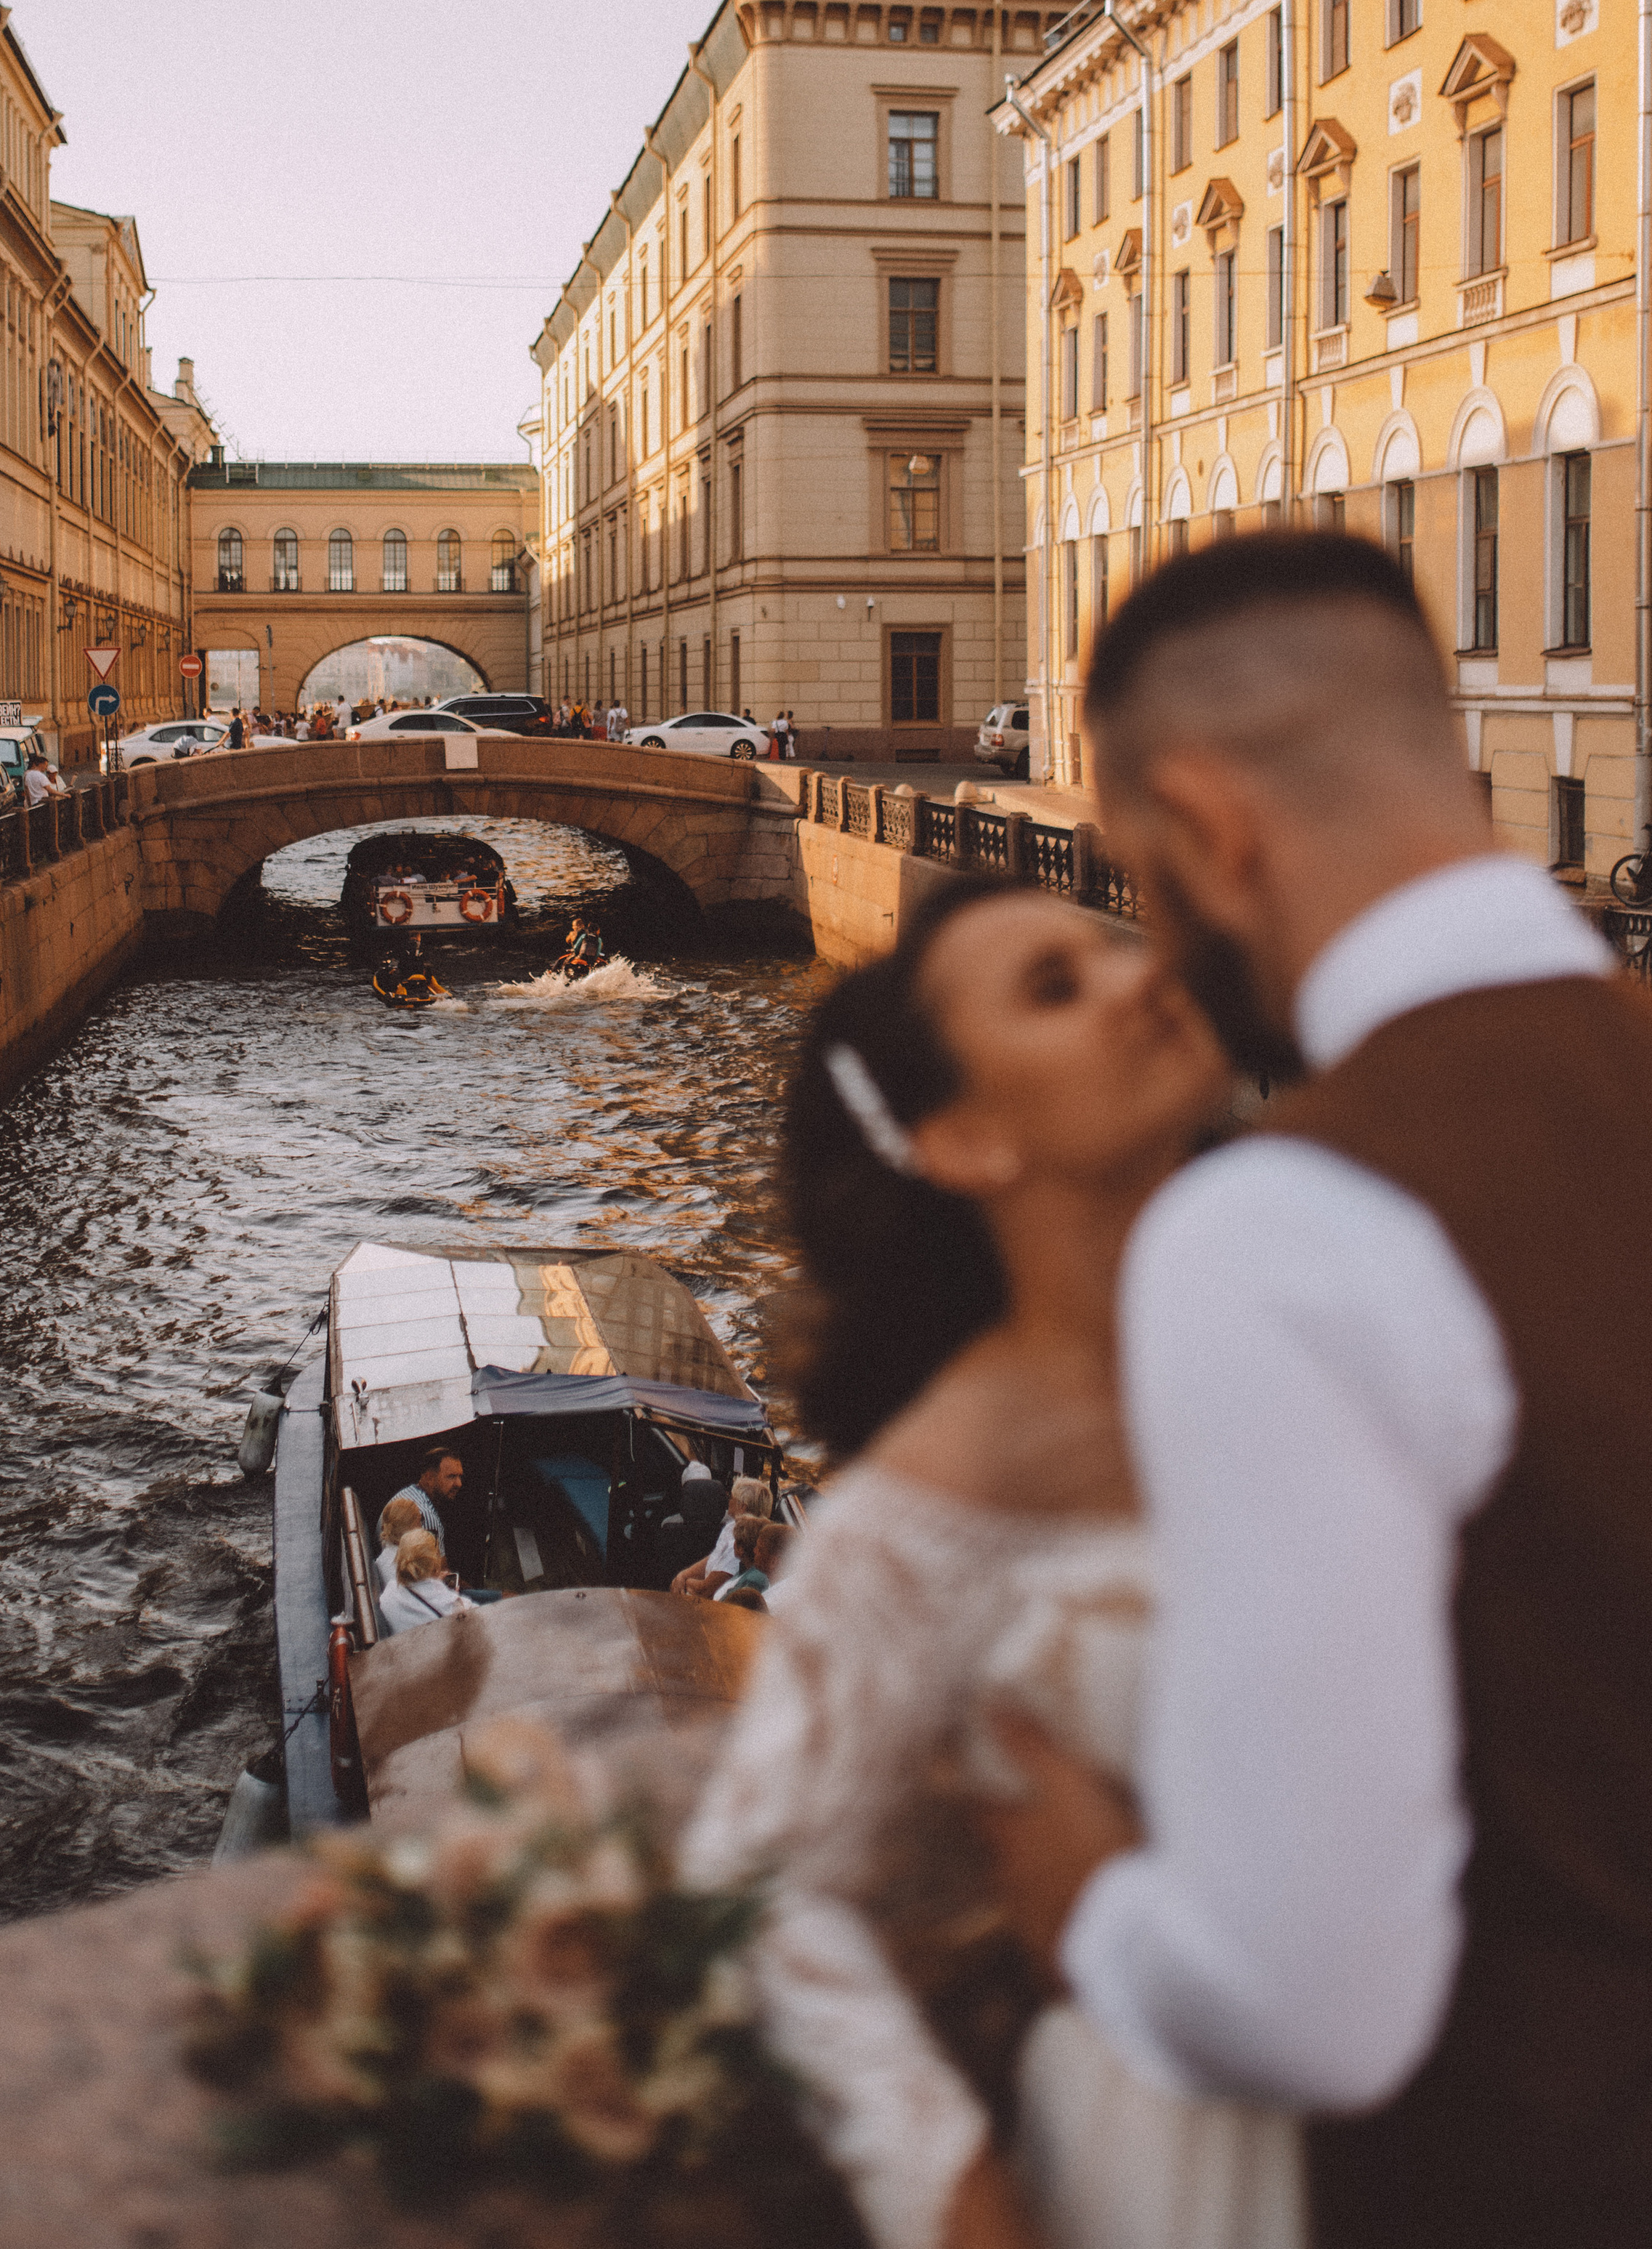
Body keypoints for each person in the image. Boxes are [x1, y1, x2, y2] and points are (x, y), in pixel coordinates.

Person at [944, 530, 1651, 2249]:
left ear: (1205, 827)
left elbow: (1301, 1996)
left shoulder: (1288, 1217)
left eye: (1143, 876)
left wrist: (1079, 1894)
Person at [684, 873, 1294, 2249]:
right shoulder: (924, 1513)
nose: (1145, 974)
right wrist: (951, 2188)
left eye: (1108, 948)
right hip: (1196, 2168)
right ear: (961, 1137)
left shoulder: (1313, 1324)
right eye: (1056, 985)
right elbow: (755, 1890)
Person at [671, 1475, 772, 1598]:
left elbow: (705, 1591)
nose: (728, 1500)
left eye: (732, 1498)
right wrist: (683, 1575)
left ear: (742, 1507)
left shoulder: (741, 1544)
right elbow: (714, 1557)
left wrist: (684, 1582)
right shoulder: (732, 1526)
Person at [380, 1447, 466, 1568]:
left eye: (460, 1476)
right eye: (451, 1477)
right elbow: (441, 1574)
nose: (459, 1484)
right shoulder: (425, 1517)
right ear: (430, 1478)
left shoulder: (409, 1493)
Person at [378, 1527, 466, 1635]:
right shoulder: (450, 1605)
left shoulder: (388, 1593)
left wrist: (435, 1583)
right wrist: (451, 1595)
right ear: (435, 1564)